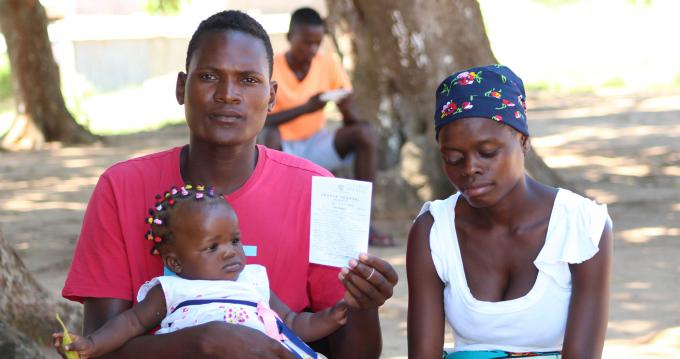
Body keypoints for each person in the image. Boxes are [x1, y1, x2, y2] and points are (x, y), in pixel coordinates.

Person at [59, 10, 397, 359]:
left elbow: (353, 353)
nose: (227, 94)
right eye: (208, 76)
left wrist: (364, 305)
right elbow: (97, 349)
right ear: (181, 87)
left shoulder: (322, 191)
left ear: (271, 96)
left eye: (248, 80)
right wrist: (200, 343)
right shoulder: (121, 188)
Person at [406, 65, 613, 358]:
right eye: (453, 158)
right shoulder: (434, 230)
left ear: (524, 142)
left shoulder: (582, 226)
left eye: (488, 152)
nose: (470, 168)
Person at [54, 185, 346, 359]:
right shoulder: (172, 290)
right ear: (176, 263)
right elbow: (130, 324)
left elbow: (293, 321)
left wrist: (331, 317)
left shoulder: (252, 279)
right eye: (212, 247)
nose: (231, 251)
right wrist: (91, 344)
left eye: (234, 240)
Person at [259, 7, 395, 247]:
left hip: (316, 143)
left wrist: (346, 110)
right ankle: (273, 220)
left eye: (317, 43)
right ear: (290, 37)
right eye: (305, 43)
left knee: (365, 133)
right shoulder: (271, 66)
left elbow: (350, 121)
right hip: (281, 149)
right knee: (269, 133)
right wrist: (306, 108)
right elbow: (260, 119)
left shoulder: (327, 64)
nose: (311, 50)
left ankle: (364, 223)